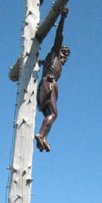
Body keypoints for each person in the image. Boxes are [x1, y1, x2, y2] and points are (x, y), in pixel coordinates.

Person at [35, 8, 70, 153]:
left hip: (47, 87)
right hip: (48, 85)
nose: (65, 56)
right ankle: (40, 135)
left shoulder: (52, 62)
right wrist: (62, 18)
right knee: (54, 114)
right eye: (64, 52)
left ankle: (44, 138)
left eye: (67, 55)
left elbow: (43, 63)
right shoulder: (54, 54)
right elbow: (59, 35)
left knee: (49, 114)